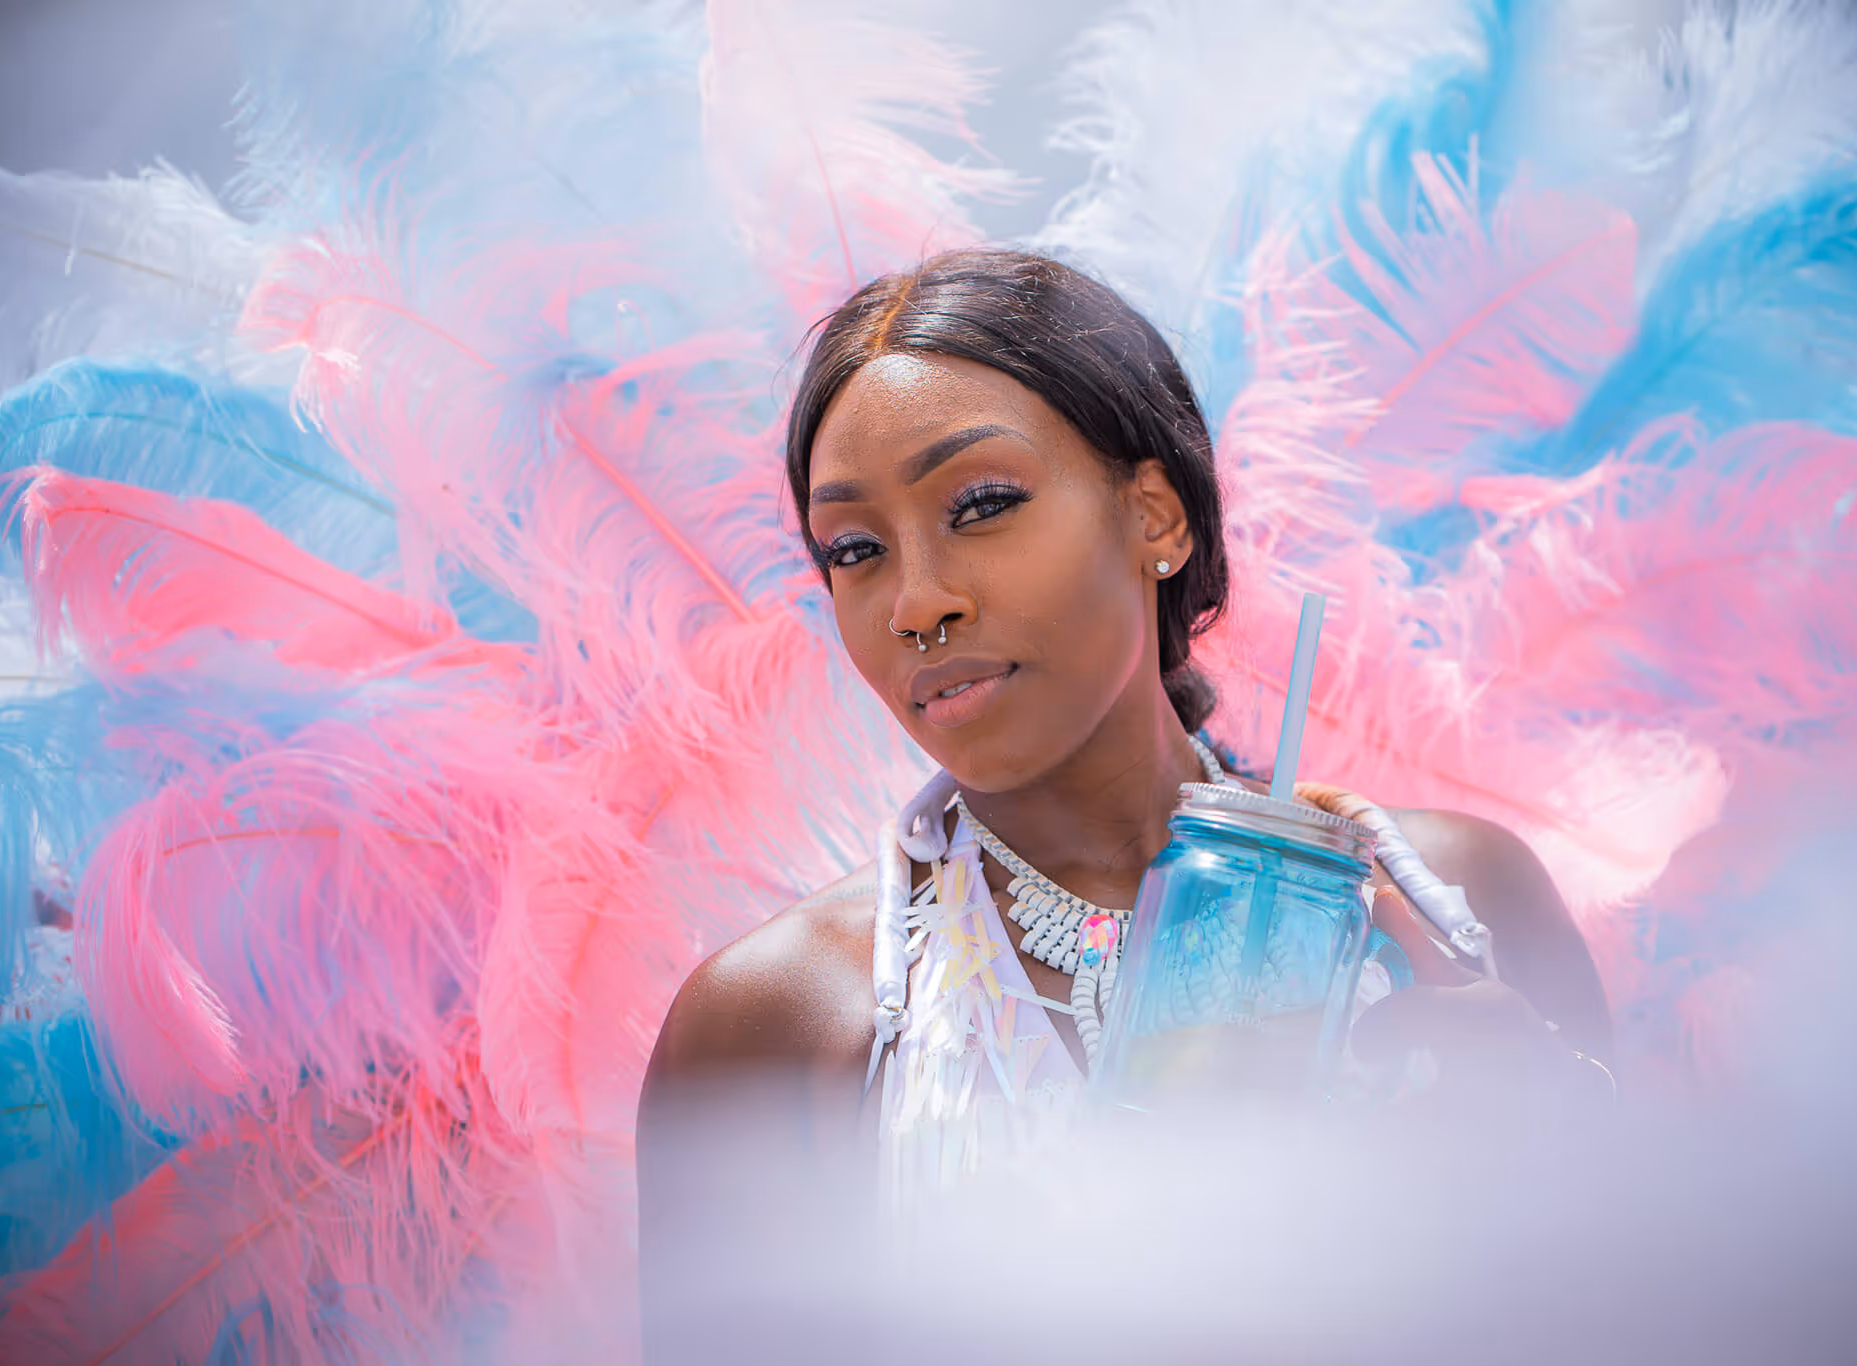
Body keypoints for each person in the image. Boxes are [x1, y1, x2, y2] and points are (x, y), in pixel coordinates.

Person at [636, 248, 1613, 1197]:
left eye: (979, 504)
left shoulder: (1453, 902)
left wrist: (1553, 1171)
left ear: (1153, 515)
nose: (914, 603)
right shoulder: (772, 1026)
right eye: (853, 548)